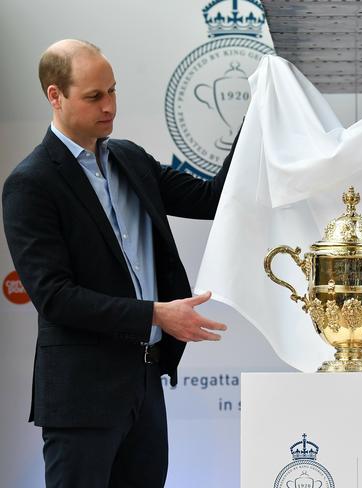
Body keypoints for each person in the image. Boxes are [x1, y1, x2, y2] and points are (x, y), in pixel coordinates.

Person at [2, 39, 240, 487]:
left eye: (113, 91)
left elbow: (214, 198)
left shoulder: (129, 158)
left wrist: (261, 112)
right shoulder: (30, 184)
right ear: (55, 96)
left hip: (146, 384)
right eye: (94, 96)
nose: (110, 106)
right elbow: (54, 297)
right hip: (82, 397)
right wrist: (155, 314)